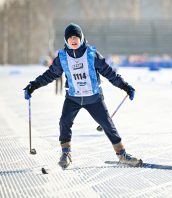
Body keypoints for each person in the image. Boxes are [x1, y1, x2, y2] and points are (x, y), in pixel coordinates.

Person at [23, 23, 143, 168]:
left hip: (94, 98)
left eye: (76, 37)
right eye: (70, 38)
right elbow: (50, 74)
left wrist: (124, 86)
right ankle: (66, 153)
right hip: (72, 98)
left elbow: (108, 72)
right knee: (64, 122)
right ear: (66, 40)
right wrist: (34, 85)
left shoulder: (92, 54)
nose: (73, 40)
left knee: (107, 124)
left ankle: (122, 154)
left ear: (81, 38)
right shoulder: (62, 57)